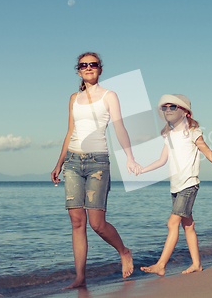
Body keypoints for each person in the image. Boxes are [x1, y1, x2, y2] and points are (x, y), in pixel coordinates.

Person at [51, 52, 141, 289]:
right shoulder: (73, 98)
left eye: (93, 64)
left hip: (98, 163)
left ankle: (123, 251)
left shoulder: (109, 96)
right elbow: (69, 132)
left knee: (97, 223)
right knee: (76, 221)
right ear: (78, 71)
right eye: (83, 65)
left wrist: (130, 158)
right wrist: (59, 162)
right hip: (72, 162)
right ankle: (80, 277)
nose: (88, 67)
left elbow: (119, 127)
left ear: (100, 69)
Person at [139, 94, 212, 276]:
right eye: (164, 108)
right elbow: (161, 160)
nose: (168, 110)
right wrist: (142, 170)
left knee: (172, 223)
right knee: (188, 226)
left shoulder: (193, 133)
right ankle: (197, 264)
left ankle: (161, 265)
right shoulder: (168, 135)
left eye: (172, 107)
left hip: (189, 185)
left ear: (185, 112)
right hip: (175, 187)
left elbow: (209, 153)